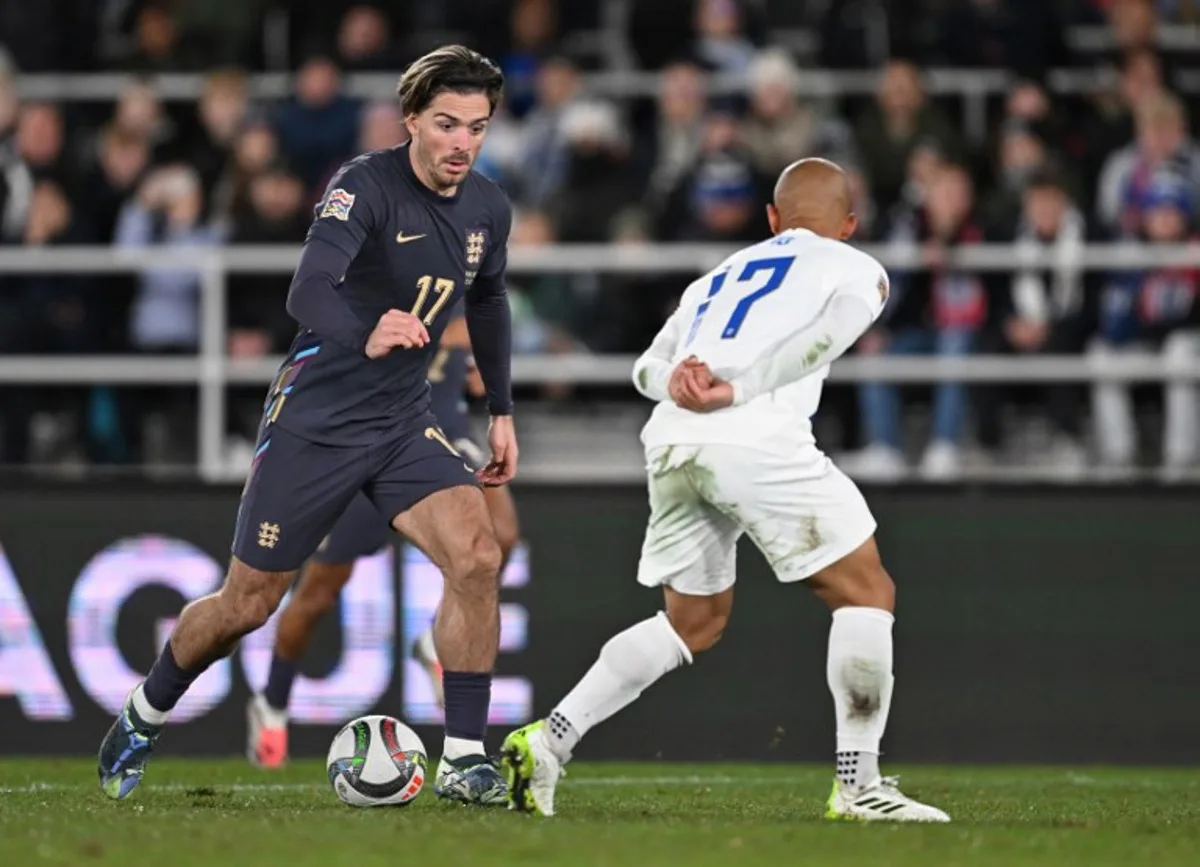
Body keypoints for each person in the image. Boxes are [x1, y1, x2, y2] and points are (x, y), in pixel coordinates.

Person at [98, 45, 517, 807]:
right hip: (316, 421)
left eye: (478, 128)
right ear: (412, 120)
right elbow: (307, 289)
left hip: (400, 421)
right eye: (449, 124)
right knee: (247, 605)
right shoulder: (364, 186)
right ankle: (144, 709)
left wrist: (503, 411)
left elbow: (486, 301)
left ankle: (464, 757)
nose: (463, 143)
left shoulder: (488, 206)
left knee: (479, 554)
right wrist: (368, 328)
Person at [500, 158, 950, 823]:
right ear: (848, 225)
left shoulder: (719, 275)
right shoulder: (855, 265)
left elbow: (647, 367)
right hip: (754, 434)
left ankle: (550, 741)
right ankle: (859, 786)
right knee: (867, 590)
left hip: (673, 439)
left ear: (772, 219)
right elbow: (836, 335)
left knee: (692, 622)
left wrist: (679, 383)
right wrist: (740, 389)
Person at [245, 309, 521, 767]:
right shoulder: (380, 271)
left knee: (500, 537)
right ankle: (272, 702)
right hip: (375, 440)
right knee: (319, 591)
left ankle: (437, 644)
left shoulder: (463, 273)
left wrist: (478, 371)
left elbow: (473, 342)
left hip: (441, 435)